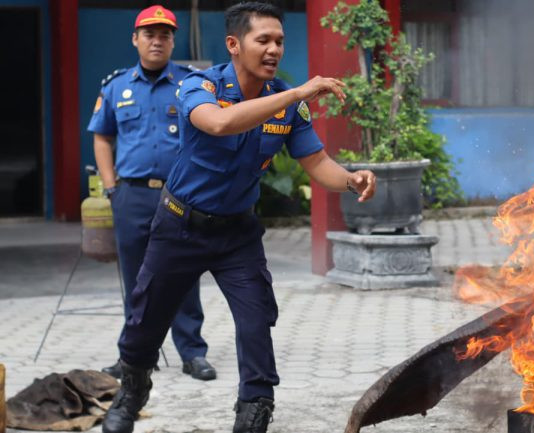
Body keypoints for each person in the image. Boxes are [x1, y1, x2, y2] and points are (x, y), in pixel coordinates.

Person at [101, 2, 376, 433]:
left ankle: (254, 415)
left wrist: (351, 179)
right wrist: (296, 93)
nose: (273, 50)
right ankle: (131, 393)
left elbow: (318, 163)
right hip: (179, 226)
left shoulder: (286, 106)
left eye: (280, 41)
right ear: (234, 44)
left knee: (256, 321)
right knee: (143, 320)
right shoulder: (199, 85)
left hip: (237, 234)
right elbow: (219, 124)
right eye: (262, 40)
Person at [87, 5, 217, 382]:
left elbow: (211, 135)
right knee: (136, 277)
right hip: (132, 196)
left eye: (164, 35)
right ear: (136, 39)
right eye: (149, 34)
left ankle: (193, 353)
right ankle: (135, 357)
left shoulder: (193, 84)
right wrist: (112, 189)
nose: (157, 41)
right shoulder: (116, 87)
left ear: (173, 40)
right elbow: (102, 137)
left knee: (184, 274)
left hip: (180, 196)